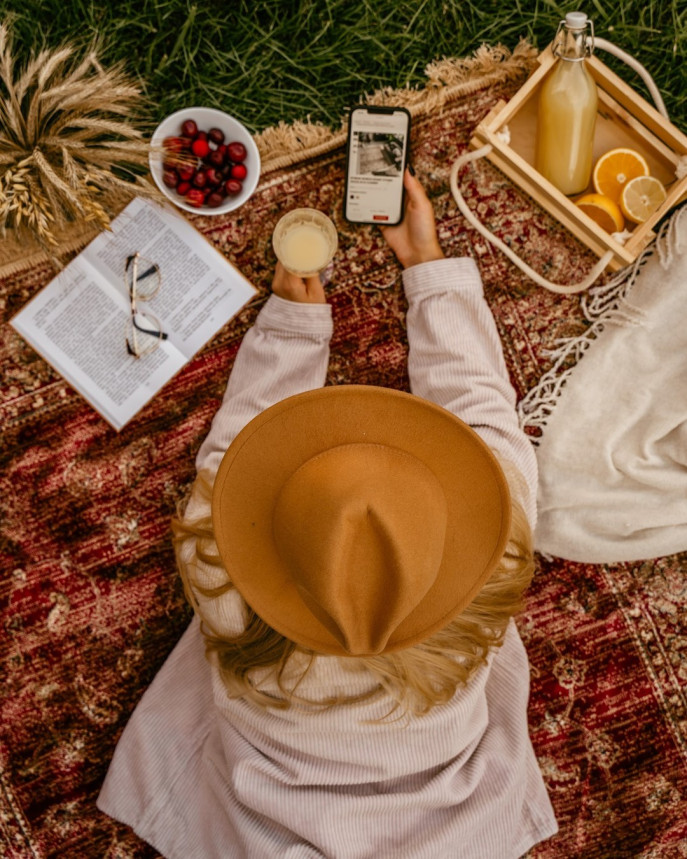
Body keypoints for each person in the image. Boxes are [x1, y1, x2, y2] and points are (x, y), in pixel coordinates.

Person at [97, 169, 558, 857]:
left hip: (266, 804)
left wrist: (294, 324)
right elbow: (482, 413)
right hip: (446, 823)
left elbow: (237, 445)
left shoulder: (221, 572)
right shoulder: (493, 561)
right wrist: (426, 267)